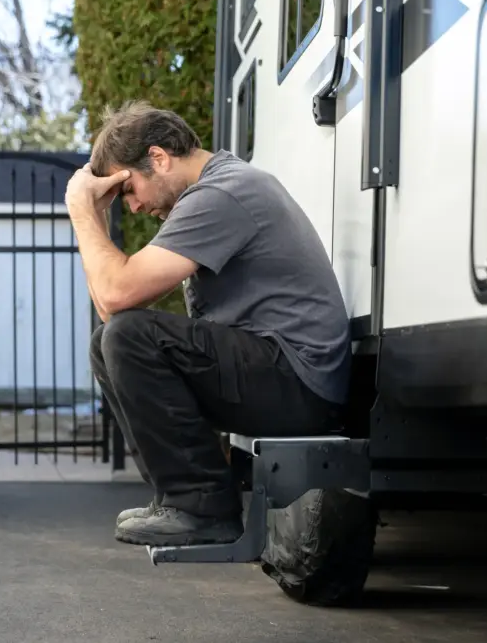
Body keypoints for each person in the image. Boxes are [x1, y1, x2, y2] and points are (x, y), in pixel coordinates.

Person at [64, 100, 351, 548]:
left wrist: (82, 211)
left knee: (127, 337)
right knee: (110, 341)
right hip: (283, 374)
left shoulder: (223, 193)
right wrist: (95, 216)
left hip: (298, 382)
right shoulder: (220, 187)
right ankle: (179, 498)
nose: (134, 206)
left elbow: (116, 295)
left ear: (158, 158)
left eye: (129, 189)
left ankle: (201, 506)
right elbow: (111, 306)